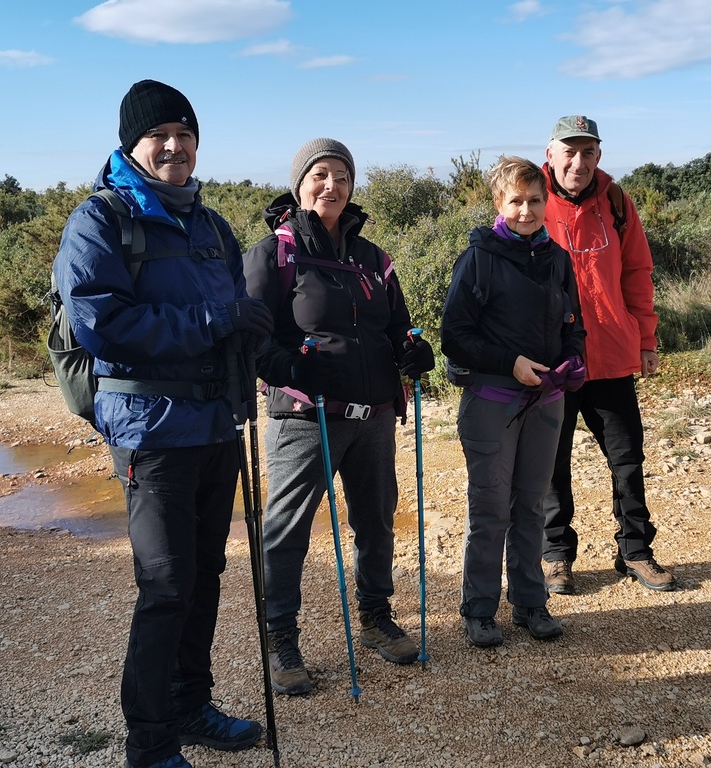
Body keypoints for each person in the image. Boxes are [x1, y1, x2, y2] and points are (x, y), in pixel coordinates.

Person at [52, 80, 271, 768]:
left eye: (185, 134)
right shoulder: (101, 220)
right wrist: (216, 321)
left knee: (205, 575)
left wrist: (261, 338)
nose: (175, 146)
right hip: (150, 430)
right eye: (159, 136)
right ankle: (148, 743)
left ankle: (189, 707)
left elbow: (235, 314)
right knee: (167, 584)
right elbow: (102, 324)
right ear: (132, 145)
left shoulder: (210, 225)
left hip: (215, 425)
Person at [243, 138, 435, 694]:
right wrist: (291, 369)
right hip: (305, 417)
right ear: (300, 183)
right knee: (288, 531)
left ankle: (375, 617)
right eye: (320, 175)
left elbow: (399, 324)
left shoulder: (374, 258)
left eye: (342, 177)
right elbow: (252, 340)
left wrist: (412, 348)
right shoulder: (274, 253)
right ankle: (282, 641)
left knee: (375, 520)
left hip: (373, 413)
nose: (332, 186)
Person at [441, 156, 586, 647]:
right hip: (493, 400)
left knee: (530, 506)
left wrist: (573, 361)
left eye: (535, 200)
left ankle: (530, 604)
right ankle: (479, 610)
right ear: (499, 204)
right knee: (491, 508)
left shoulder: (557, 258)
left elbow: (574, 324)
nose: (527, 210)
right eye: (516, 201)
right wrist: (512, 362)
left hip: (546, 402)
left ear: (548, 203)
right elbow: (454, 336)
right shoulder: (479, 257)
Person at [539, 115, 675, 595]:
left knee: (626, 459)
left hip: (613, 354)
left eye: (588, 152)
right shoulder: (532, 201)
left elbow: (637, 271)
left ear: (599, 155)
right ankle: (555, 555)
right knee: (551, 464)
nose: (578, 162)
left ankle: (635, 551)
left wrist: (646, 340)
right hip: (553, 362)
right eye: (569, 152)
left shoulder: (616, 202)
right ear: (551, 153)